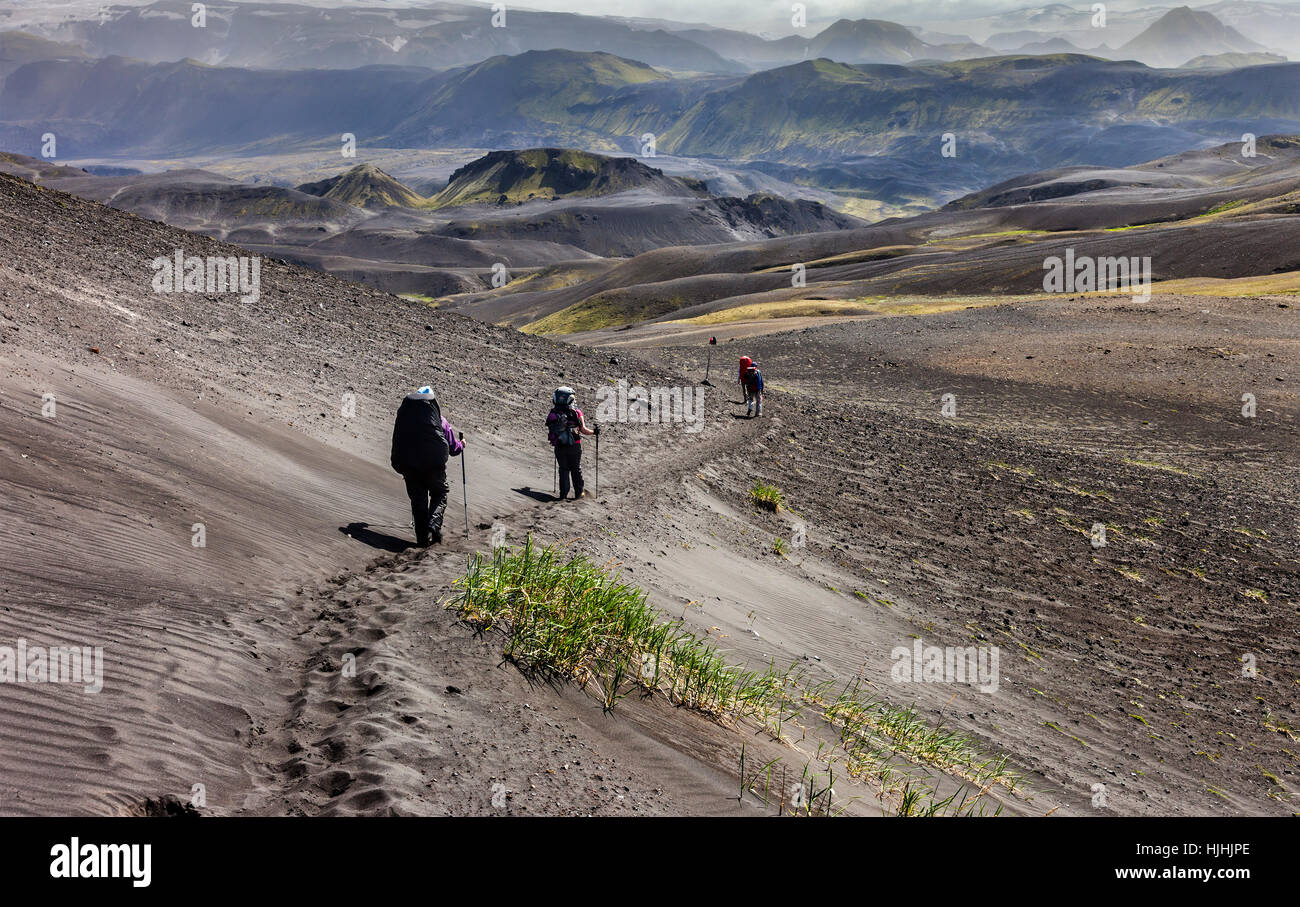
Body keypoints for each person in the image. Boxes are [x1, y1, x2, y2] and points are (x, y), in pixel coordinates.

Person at [390, 386, 463, 546]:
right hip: (433, 466)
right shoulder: (440, 421)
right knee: (440, 493)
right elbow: (453, 449)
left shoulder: (405, 420)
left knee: (418, 501)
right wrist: (462, 444)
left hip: (409, 466)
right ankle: (434, 525)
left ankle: (422, 540)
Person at [546, 386, 597, 500]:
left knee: (563, 468)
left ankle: (563, 494)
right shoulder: (577, 412)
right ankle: (579, 493)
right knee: (576, 468)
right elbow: (583, 430)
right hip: (575, 445)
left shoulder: (553, 412)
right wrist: (594, 432)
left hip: (559, 445)